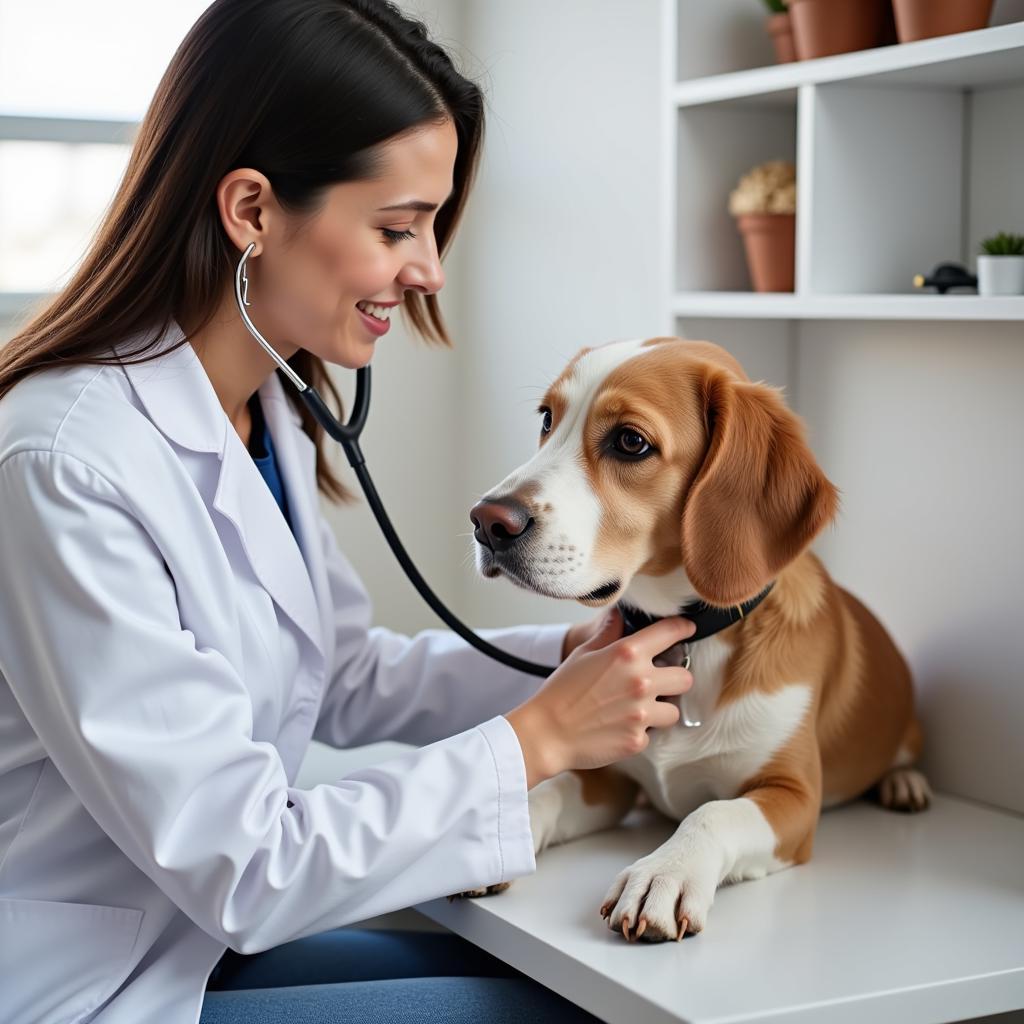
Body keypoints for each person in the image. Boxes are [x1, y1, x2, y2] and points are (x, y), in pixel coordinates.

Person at [0, 1, 696, 1021]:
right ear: (251, 211)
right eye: (397, 227)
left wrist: (566, 659)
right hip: (89, 986)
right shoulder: (66, 461)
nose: (428, 272)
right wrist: (536, 740)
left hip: (188, 943)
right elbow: (244, 863)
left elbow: (344, 675)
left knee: (570, 986)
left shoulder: (261, 408)